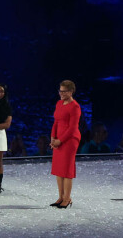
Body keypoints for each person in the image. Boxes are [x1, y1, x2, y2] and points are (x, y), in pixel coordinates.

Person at [50, 80, 81, 209]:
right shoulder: (59, 103)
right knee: (58, 169)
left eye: (64, 91)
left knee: (67, 169)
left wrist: (60, 140)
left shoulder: (75, 107)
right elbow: (56, 122)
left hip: (70, 140)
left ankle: (67, 198)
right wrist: (53, 138)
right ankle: (61, 196)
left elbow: (73, 128)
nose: (61, 94)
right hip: (58, 139)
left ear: (71, 91)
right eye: (60, 91)